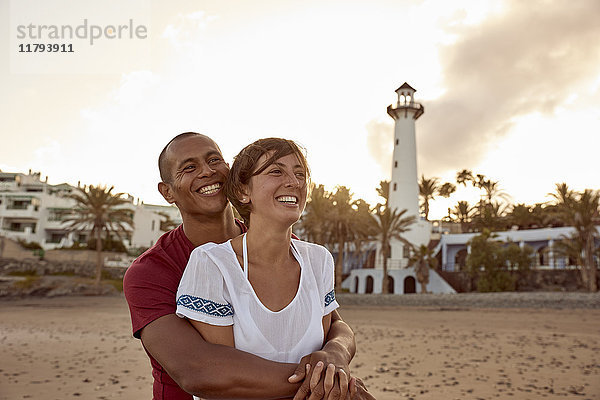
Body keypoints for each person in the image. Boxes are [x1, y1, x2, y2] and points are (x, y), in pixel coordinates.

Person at [123, 133, 374, 399]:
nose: (207, 171)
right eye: (189, 167)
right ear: (167, 191)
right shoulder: (150, 271)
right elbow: (198, 370)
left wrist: (336, 353)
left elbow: (335, 325)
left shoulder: (294, 250)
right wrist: (325, 383)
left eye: (214, 160)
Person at [176, 138, 352, 399]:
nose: (293, 181)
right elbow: (226, 380)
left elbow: (329, 346)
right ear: (243, 191)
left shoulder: (319, 260)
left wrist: (334, 358)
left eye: (300, 173)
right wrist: (327, 383)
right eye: (276, 171)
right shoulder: (212, 264)